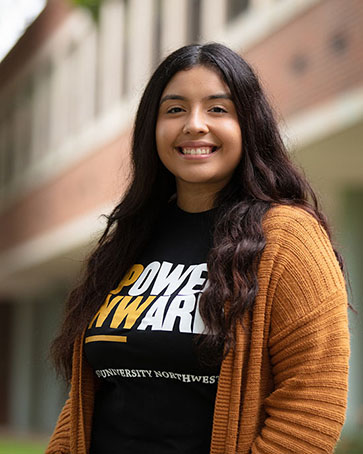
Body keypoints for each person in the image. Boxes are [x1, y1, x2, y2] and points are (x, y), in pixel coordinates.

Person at [46, 43, 350, 454]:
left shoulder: (287, 238)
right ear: (152, 129)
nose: (194, 125)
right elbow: (88, 401)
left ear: (249, 125)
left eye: (217, 109)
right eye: (174, 110)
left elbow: (312, 402)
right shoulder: (131, 239)